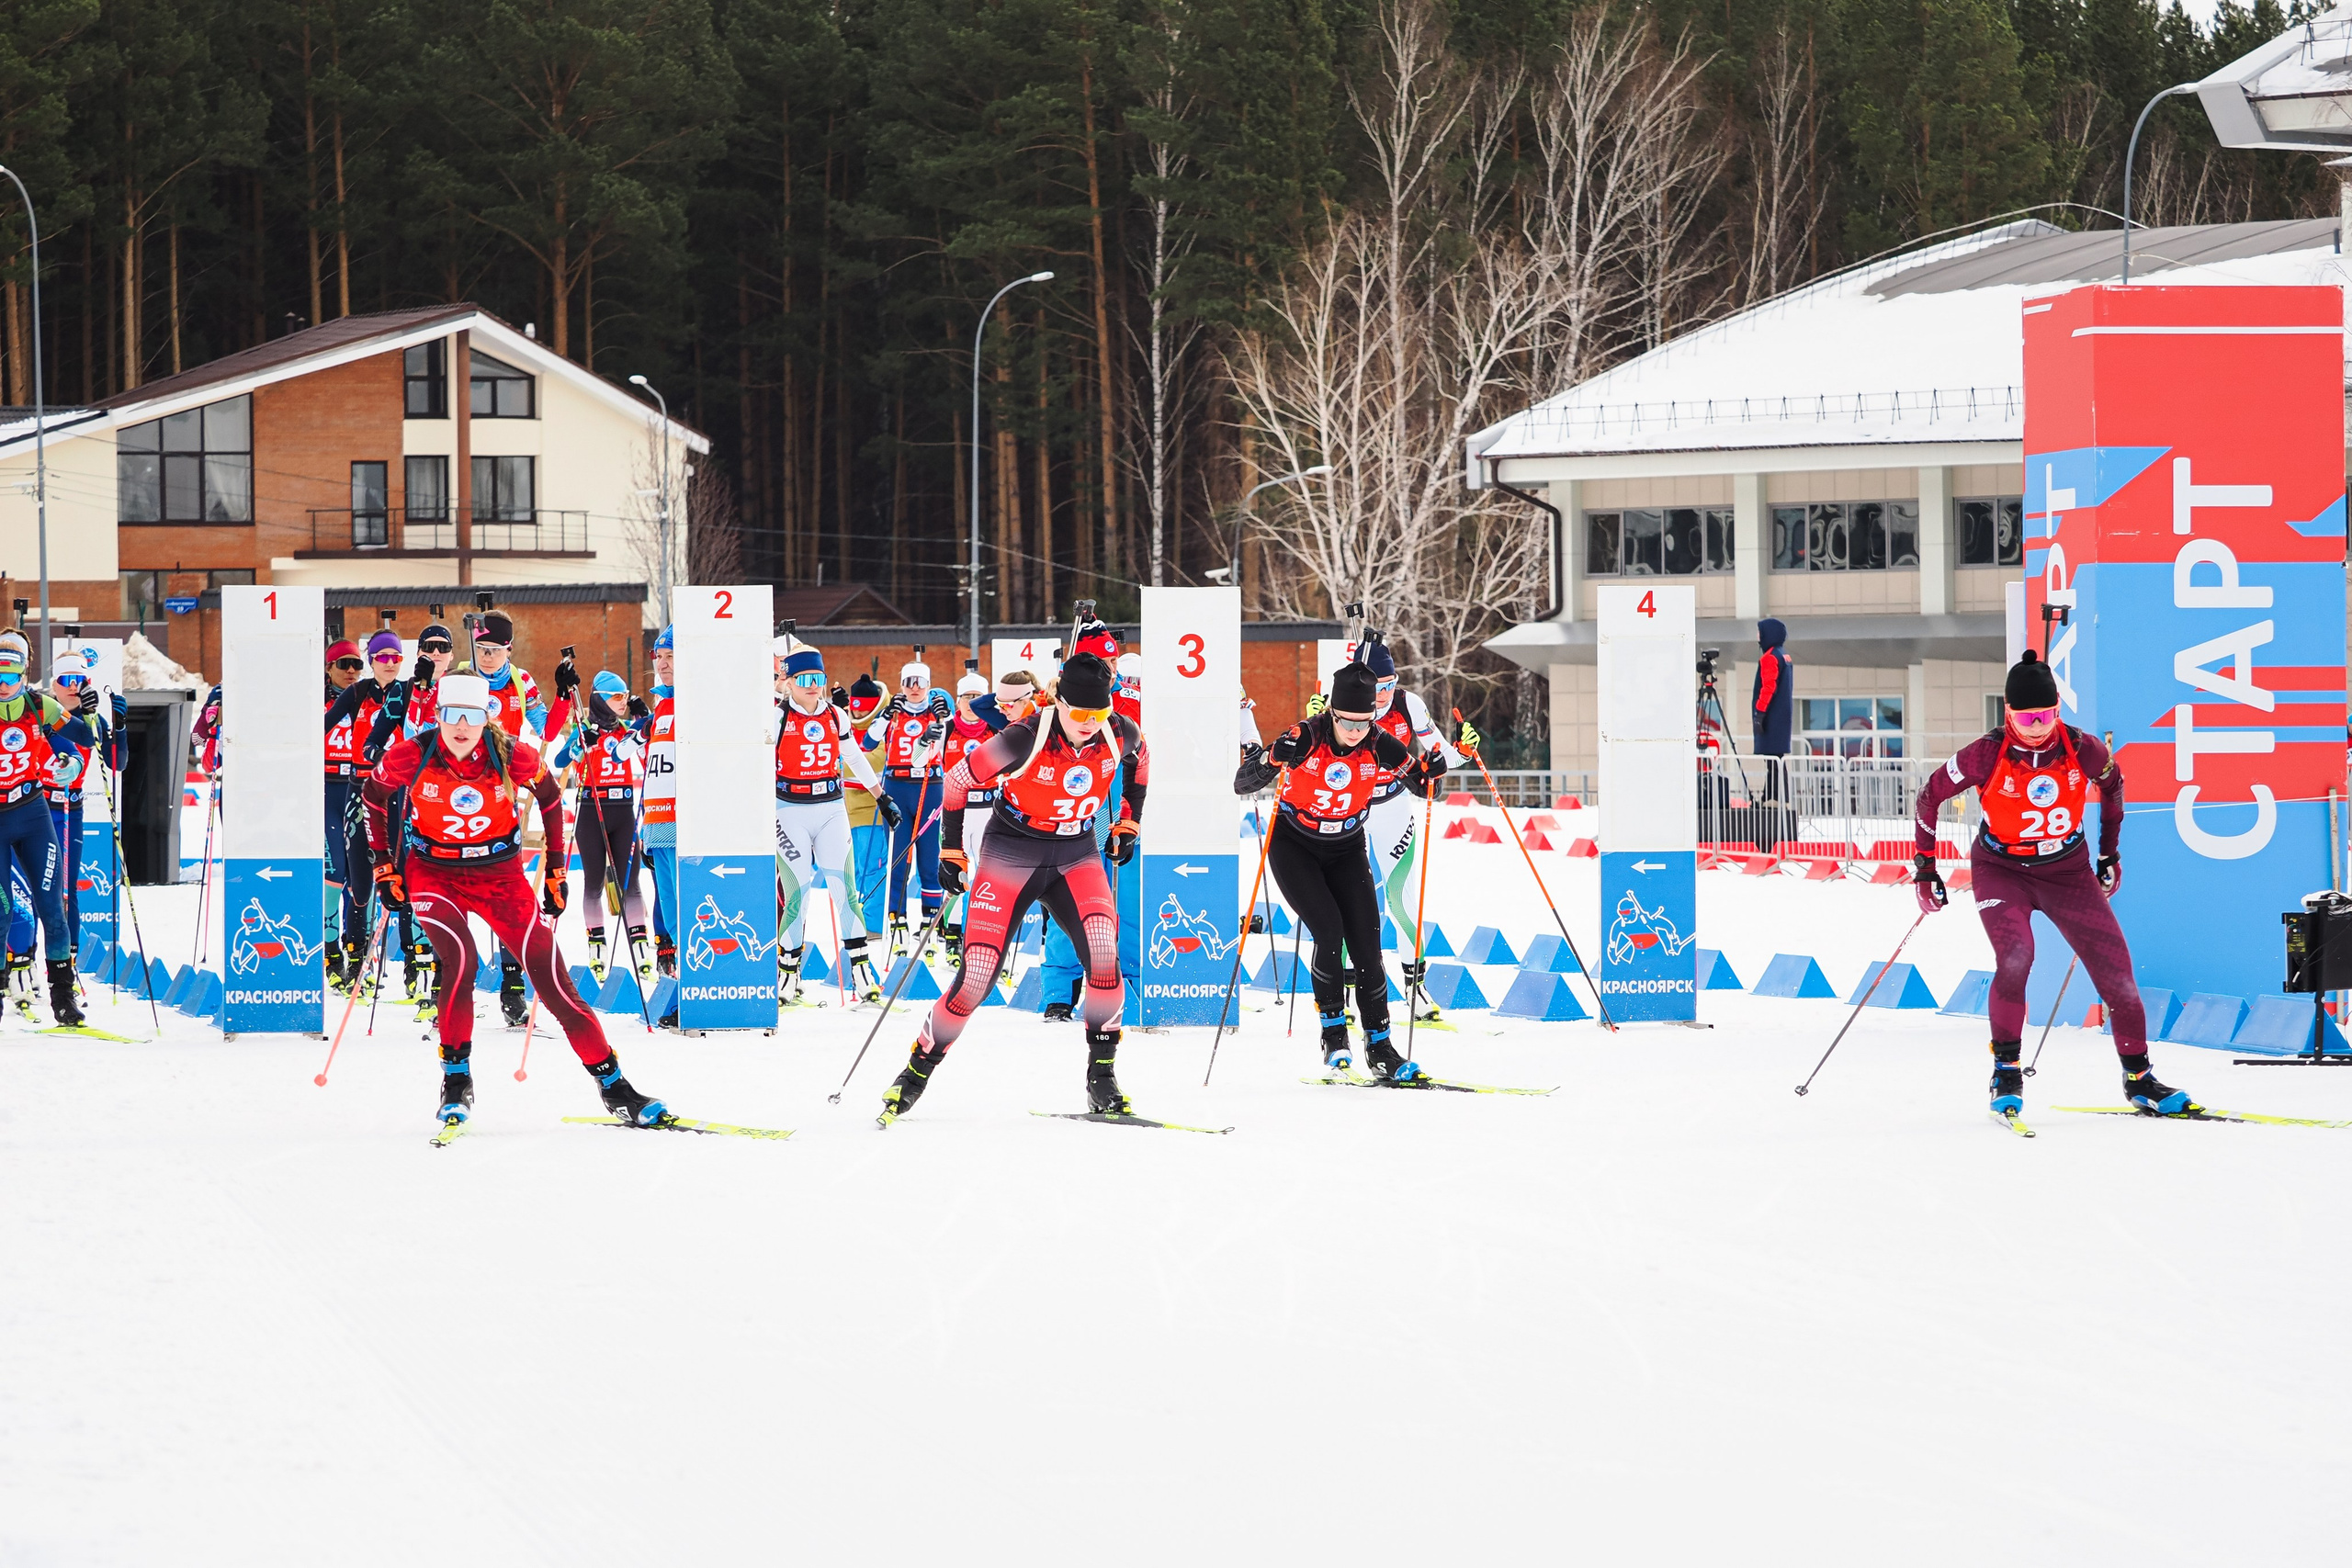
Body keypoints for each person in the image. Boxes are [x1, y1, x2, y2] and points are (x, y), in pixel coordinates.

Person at [364, 672, 668, 1129]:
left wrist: (556, 868)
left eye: (471, 716)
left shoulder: (509, 753)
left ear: (486, 717)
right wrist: (384, 864)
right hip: (434, 873)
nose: (461, 727)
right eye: (451, 716)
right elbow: (373, 797)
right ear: (438, 715)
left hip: (500, 873)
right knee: (461, 962)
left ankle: (614, 1085)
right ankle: (456, 1078)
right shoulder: (414, 752)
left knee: (554, 982)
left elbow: (549, 796)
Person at [1912, 649, 2194, 1122]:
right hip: (2001, 869)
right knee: (2018, 955)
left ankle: (2140, 1079)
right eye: (2027, 716)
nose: (2038, 724)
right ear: (2008, 712)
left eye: (2046, 714)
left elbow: (2113, 788)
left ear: (2058, 710)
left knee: (2119, 977)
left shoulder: (2083, 748)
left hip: (2067, 872)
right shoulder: (1986, 753)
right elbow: (1929, 796)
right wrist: (1925, 867)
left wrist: (2109, 853)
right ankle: (2006, 1070)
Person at [876, 652, 1148, 1124]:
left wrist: (1128, 820)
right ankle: (916, 1071)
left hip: (1076, 850)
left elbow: (1141, 760)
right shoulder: (1026, 734)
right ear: (1057, 701)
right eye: (1080, 713)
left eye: (1099, 713)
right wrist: (951, 850)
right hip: (1013, 849)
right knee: (979, 972)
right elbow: (958, 780)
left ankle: (1102, 1079)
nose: (1090, 724)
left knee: (1105, 958)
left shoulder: (1118, 730)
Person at [1234, 661, 1442, 1081]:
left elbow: (1420, 784)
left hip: (1346, 845)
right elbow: (1243, 783)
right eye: (1346, 721)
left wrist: (1433, 769)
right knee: (1329, 930)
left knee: (1367, 939)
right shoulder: (1306, 735)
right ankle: (1334, 1036)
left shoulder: (1380, 742)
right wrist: (1274, 758)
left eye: (1363, 722)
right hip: (1295, 845)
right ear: (1332, 711)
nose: (1354, 731)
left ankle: (1381, 1047)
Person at [772, 643, 897, 1001]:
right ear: (789, 682)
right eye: (805, 679)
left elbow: (855, 757)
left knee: (846, 890)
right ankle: (788, 976)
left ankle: (861, 974)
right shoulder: (778, 718)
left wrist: (881, 797)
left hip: (830, 808)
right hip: (789, 810)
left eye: (819, 678)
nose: (813, 685)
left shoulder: (835, 716)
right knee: (798, 892)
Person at [1351, 635, 1462, 1012]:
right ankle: (1350, 992)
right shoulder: (1344, 704)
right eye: (1377, 687)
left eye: (1390, 685)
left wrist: (1461, 751)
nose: (1383, 695)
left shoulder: (1407, 704)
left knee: (1401, 900)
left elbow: (1441, 754)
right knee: (1352, 900)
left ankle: (1415, 990)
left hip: (1395, 808)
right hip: (1351, 811)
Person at [0, 630, 99, 1025]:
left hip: (32, 813)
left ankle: (63, 997)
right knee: (1, 912)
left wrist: (87, 719)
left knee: (52, 908)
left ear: (24, 676)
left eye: (10, 676)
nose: (3, 686)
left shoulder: (40, 706)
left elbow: (81, 737)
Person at [551, 671, 652, 982]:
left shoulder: (626, 729)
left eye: (625, 696)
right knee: (594, 882)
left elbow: (648, 751)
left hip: (622, 809)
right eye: (616, 697)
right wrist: (583, 746)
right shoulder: (583, 728)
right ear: (600, 699)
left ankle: (641, 948)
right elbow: (559, 761)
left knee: (630, 882)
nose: (622, 702)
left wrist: (644, 719)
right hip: (591, 809)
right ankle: (597, 948)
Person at [862, 659, 953, 951]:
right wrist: (886, 715)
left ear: (929, 685)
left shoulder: (937, 713)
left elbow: (952, 744)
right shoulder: (895, 714)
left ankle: (929, 922)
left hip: (930, 786)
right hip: (898, 786)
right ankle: (897, 918)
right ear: (901, 685)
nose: (915, 688)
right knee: (898, 857)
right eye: (909, 682)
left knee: (929, 858)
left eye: (921, 682)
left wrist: (945, 721)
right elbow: (867, 743)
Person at [42, 663, 125, 956]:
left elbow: (118, 763)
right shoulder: (39, 710)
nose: (74, 686)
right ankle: (20, 961)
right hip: (36, 806)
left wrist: (121, 726)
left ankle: (69, 962)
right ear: (54, 684)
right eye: (67, 680)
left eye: (81, 680)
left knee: (67, 888)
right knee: (30, 889)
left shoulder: (91, 720)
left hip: (70, 807)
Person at [321, 639, 387, 989]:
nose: (350, 671)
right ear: (329, 668)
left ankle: (362, 952)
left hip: (362, 789)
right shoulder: (322, 701)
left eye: (356, 665)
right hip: (328, 791)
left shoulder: (373, 698)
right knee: (336, 874)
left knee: (368, 875)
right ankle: (332, 952)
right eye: (342, 664)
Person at [936, 669, 995, 960]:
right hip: (957, 814)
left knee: (987, 878)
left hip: (990, 811)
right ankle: (952, 934)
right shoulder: (947, 728)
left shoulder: (996, 727)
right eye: (967, 697)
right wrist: (925, 740)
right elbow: (917, 760)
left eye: (978, 697)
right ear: (958, 700)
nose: (972, 703)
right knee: (959, 874)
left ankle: (983, 934)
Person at [837, 672, 892, 945]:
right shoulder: (847, 723)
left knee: (874, 867)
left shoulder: (884, 724)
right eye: (854, 706)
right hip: (849, 809)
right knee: (857, 869)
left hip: (873, 810)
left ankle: (874, 922)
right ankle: (861, 917)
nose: (858, 711)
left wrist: (842, 759)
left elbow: (874, 760)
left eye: (863, 706)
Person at [639, 626, 679, 976]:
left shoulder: (693, 703)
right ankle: (681, 977)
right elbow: (654, 772)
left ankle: (695, 982)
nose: (662, 664)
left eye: (671, 657)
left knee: (686, 905)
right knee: (668, 904)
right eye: (659, 657)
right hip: (658, 822)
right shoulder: (662, 704)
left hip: (684, 823)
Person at [1751, 617, 1794, 852]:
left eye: (1759, 633)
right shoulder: (1784, 655)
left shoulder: (1770, 657)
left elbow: (1768, 687)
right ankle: (1776, 796)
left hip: (1772, 717)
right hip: (1783, 717)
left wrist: (1760, 713)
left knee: (1773, 761)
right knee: (1778, 761)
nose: (1758, 637)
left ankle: (1773, 797)